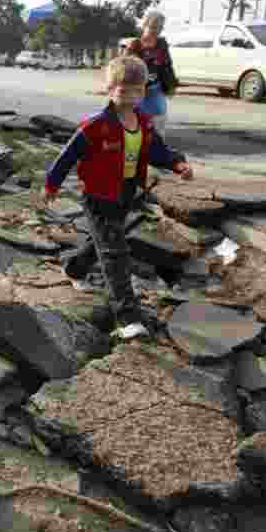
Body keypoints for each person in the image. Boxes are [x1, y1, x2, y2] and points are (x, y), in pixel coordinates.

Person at [44, 55, 194, 334]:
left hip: (126, 192)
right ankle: (128, 318)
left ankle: (74, 268)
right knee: (115, 254)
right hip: (97, 195)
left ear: (144, 91)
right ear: (110, 89)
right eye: (123, 90)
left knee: (104, 241)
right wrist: (51, 185)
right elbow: (67, 156)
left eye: (137, 90)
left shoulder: (144, 123)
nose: (130, 96)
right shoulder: (95, 126)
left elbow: (158, 151)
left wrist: (177, 164)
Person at [125, 10, 177, 138]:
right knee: (135, 122)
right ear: (144, 25)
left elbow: (167, 66)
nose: (156, 30)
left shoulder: (161, 44)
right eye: (153, 27)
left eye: (159, 27)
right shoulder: (135, 45)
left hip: (155, 89)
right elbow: (124, 67)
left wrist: (171, 85)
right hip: (137, 91)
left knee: (159, 120)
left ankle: (157, 149)